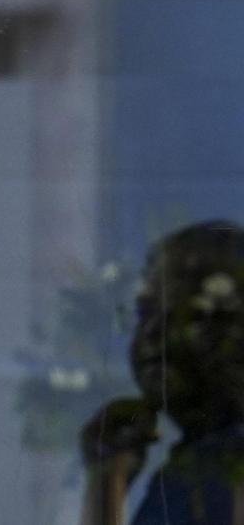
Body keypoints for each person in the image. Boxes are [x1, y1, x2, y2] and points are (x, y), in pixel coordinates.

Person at [81, 221, 244, 524]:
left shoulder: (225, 467)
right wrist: (109, 478)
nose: (152, 335)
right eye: (145, 313)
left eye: (194, 313)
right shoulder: (194, 466)